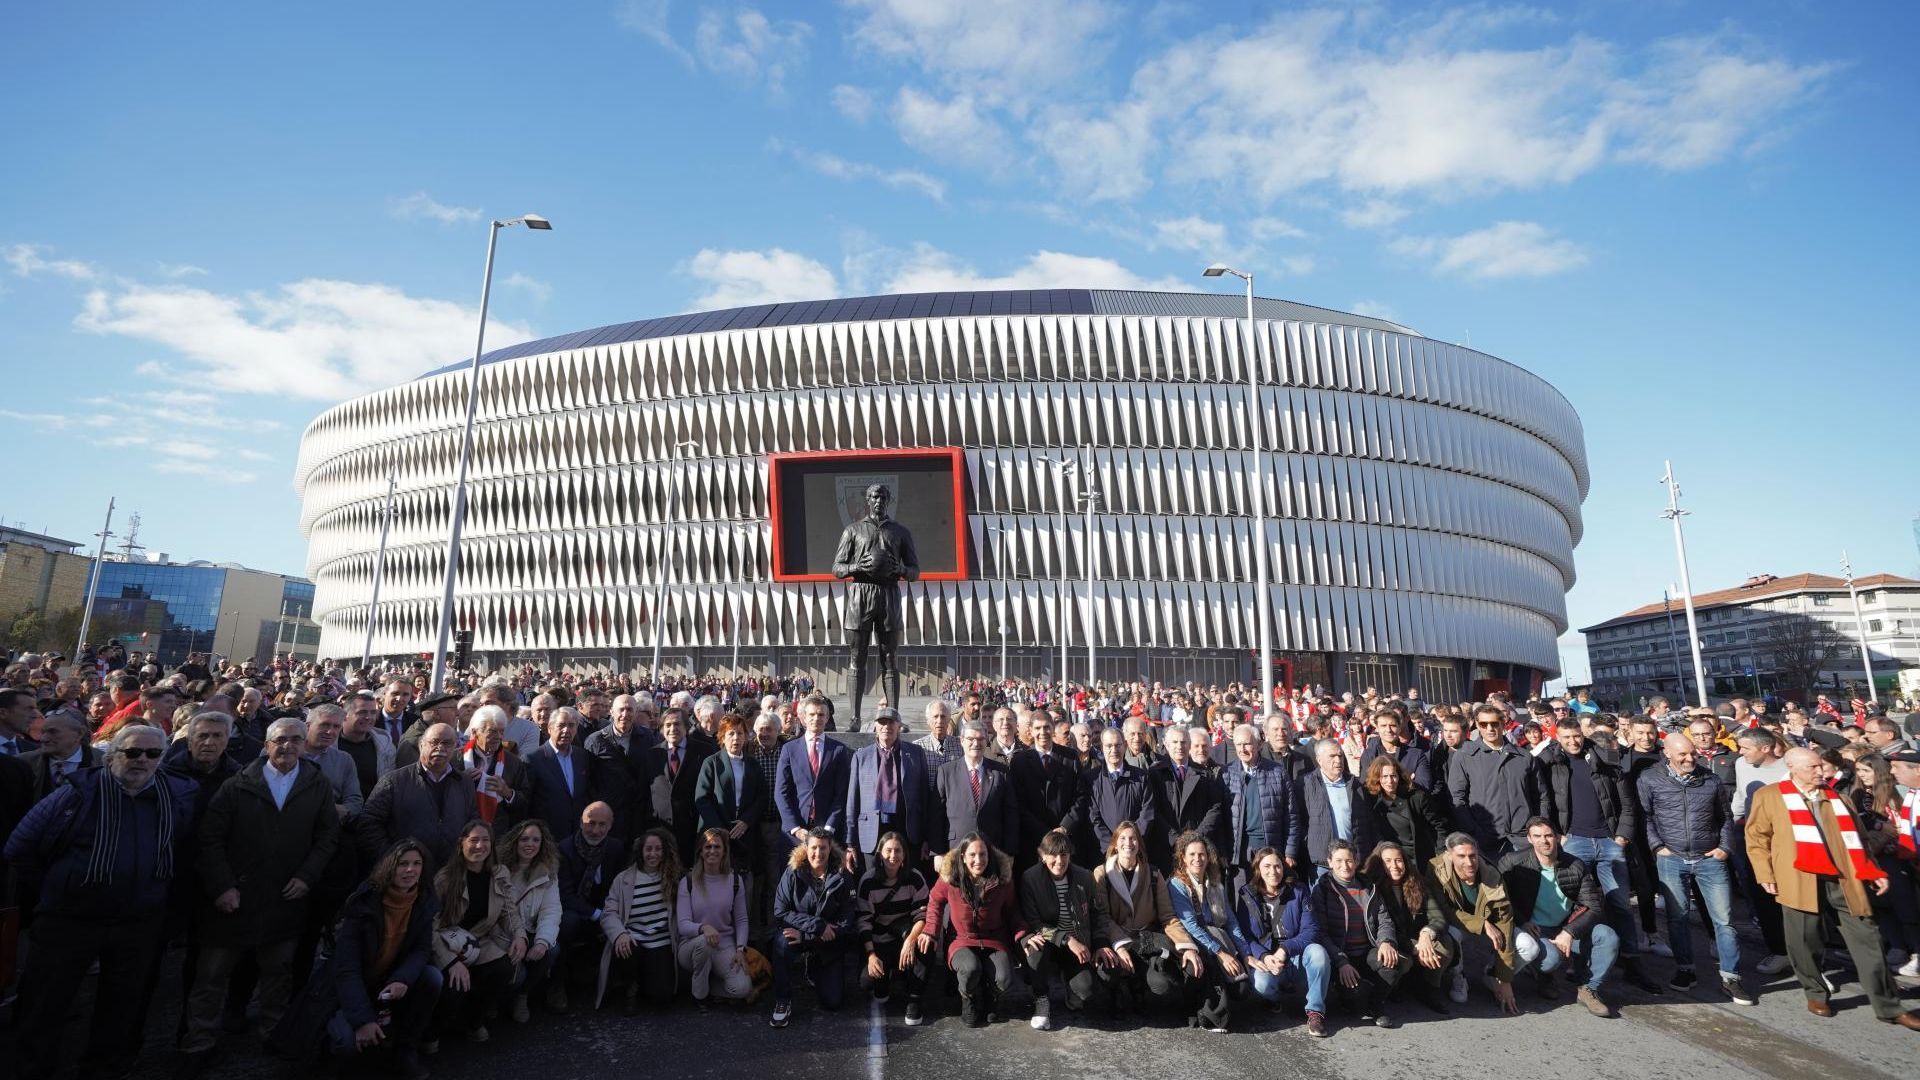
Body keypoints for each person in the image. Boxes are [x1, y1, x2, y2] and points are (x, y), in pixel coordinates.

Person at [6, 724, 197, 1080]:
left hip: (137, 920)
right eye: (133, 752)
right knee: (46, 1003)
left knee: (120, 1006)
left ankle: (102, 1069)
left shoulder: (177, 795)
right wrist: (53, 888)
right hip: (71, 918)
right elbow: (20, 845)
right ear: (111, 755)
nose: (142, 760)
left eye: (153, 754)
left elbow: (180, 847)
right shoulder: (78, 791)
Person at [178, 718, 341, 1075]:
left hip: (286, 896)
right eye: (281, 740)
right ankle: (200, 1040)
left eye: (296, 740)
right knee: (212, 975)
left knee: (278, 974)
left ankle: (273, 1032)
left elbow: (328, 836)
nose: (289, 746)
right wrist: (222, 886)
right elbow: (210, 839)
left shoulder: (317, 784)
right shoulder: (237, 785)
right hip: (234, 898)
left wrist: (307, 876)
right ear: (266, 745)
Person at [1746, 747, 1920, 1028]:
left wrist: (1873, 870)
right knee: (1805, 939)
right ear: (1792, 768)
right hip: (1798, 878)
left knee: (1868, 938)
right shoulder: (1770, 796)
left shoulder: (1836, 797)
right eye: (1812, 768)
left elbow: (1861, 839)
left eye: (1821, 766)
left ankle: (1889, 1006)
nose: (1820, 772)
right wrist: (1764, 873)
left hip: (1844, 878)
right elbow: (1756, 838)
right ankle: (1815, 992)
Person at [272, 840, 441, 1080]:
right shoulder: (364, 903)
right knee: (346, 1042)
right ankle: (326, 1058)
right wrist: (362, 1020)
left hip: (389, 979)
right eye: (403, 864)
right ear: (389, 867)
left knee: (432, 978)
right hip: (350, 986)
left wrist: (402, 979)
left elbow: (421, 950)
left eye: (416, 864)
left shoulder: (424, 900)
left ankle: (405, 1051)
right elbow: (346, 969)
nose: (410, 870)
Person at [1638, 731, 1749, 1003]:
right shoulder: (1650, 779)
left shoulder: (1710, 780)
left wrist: (1724, 847)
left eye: (1692, 753)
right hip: (1671, 857)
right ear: (1667, 753)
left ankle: (1731, 977)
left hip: (1709, 857)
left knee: (1723, 920)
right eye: (1683, 754)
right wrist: (1656, 846)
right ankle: (1685, 969)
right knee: (1678, 918)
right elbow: (1645, 815)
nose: (1690, 758)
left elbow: (1724, 817)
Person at [1498, 818, 1618, 1017]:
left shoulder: (1575, 864)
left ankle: (1589, 989)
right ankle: (1544, 976)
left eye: (1548, 835)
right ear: (1529, 838)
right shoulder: (1513, 862)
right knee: (1550, 960)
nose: (1544, 841)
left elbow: (1594, 906)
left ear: (1557, 837)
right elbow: (1500, 900)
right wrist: (1521, 921)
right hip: (1535, 928)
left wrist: (1570, 931)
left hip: (1566, 926)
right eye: (1537, 836)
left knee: (1607, 936)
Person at [1092, 819, 1198, 1017]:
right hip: (1117, 939)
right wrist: (1119, 945)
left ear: (1139, 843)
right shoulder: (1101, 873)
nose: (1128, 843)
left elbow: (1168, 917)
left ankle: (1139, 985)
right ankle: (1117, 989)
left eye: (1133, 838)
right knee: (1107, 971)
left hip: (1146, 939)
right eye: (1122, 838)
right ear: (1115, 844)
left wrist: (1187, 946)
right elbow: (1102, 917)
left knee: (1161, 984)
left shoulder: (1154, 874)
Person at [430, 819, 521, 1043]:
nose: (480, 846)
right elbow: (429, 926)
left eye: (485, 840)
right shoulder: (445, 879)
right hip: (446, 943)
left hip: (479, 940)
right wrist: (450, 961)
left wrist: (519, 935)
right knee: (455, 987)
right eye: (474, 840)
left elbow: (509, 910)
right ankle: (431, 1033)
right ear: (461, 843)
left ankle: (474, 1020)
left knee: (503, 970)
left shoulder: (499, 874)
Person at [922, 831, 1022, 1027]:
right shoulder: (950, 877)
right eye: (972, 855)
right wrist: (930, 931)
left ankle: (992, 998)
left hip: (994, 939)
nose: (978, 860)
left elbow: (1013, 911)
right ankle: (969, 999)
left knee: (1004, 978)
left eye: (983, 854)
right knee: (970, 969)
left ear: (989, 855)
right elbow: (935, 901)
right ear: (963, 857)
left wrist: (1023, 935)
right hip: (961, 939)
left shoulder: (1002, 879)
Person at [1311, 838, 1409, 1029]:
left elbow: (1384, 919)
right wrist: (1341, 962)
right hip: (1340, 955)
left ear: (1356, 861)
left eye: (1348, 860)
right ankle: (1350, 997)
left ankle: (1375, 1005)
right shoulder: (1322, 889)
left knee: (1392, 963)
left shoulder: (1369, 887)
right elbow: (1320, 932)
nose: (1344, 866)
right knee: (1355, 1001)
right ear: (1329, 862)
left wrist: (1386, 942)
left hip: (1367, 950)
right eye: (1338, 861)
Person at [1236, 845, 1333, 1036]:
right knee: (1262, 984)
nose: (1273, 871)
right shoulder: (1246, 894)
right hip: (1268, 958)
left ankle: (1315, 1011)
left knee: (1319, 953)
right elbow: (1245, 934)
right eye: (1267, 867)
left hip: (1296, 955)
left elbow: (1311, 929)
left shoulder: (1298, 890)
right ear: (1258, 869)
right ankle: (1273, 999)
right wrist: (1263, 955)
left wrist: (1285, 949)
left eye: (1277, 866)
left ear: (1284, 867)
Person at [1019, 829, 1110, 1030]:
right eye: (1053, 855)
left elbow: (1098, 913)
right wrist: (1067, 939)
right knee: (1034, 954)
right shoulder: (1030, 878)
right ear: (1042, 855)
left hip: (1078, 943)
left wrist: (1101, 943)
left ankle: (1072, 990)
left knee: (1085, 991)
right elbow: (1035, 923)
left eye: (1064, 854)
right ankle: (1041, 1000)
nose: (1059, 860)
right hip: (1051, 942)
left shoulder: (1084, 877)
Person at [769, 828, 857, 1027]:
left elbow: (846, 923)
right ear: (805, 848)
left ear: (830, 848)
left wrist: (809, 937)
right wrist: (816, 926)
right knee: (781, 944)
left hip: (829, 941)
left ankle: (816, 964)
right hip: (802, 932)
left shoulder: (843, 876)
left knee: (833, 1002)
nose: (818, 853)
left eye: (823, 848)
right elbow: (780, 910)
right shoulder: (792, 871)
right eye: (814, 848)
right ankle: (783, 1000)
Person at [360, 725, 479, 869]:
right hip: (406, 873)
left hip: (450, 872)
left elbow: (472, 822)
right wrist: (392, 858)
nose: (440, 748)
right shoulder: (394, 781)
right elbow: (369, 823)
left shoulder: (464, 782)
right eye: (434, 742)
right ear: (421, 745)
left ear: (455, 747)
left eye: (447, 743)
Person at [1427, 832, 1520, 1015]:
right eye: (1461, 856)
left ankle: (1493, 975)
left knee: (1528, 946)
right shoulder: (1436, 868)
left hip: (1492, 927)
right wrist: (1483, 924)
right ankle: (1458, 975)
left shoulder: (1491, 875)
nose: (1469, 863)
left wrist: (1505, 979)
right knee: (1450, 933)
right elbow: (1444, 911)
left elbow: (1505, 921)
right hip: (1459, 924)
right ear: (1449, 854)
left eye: (1472, 856)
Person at [1166, 830, 1250, 1032]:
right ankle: (1209, 1015)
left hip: (1217, 938)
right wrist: (1221, 954)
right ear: (1183, 859)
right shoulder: (1177, 885)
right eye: (1192, 855)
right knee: (1204, 967)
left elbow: (1231, 922)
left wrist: (1246, 954)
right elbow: (1190, 926)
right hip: (1193, 942)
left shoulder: (1215, 885)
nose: (1198, 859)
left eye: (1202, 854)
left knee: (1242, 988)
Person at [596, 827, 681, 1014]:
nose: (653, 854)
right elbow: (608, 913)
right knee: (627, 949)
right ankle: (629, 986)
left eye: (658, 849)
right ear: (641, 851)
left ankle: (645, 981)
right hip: (632, 941)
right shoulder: (623, 878)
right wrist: (619, 934)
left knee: (662, 997)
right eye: (648, 849)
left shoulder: (673, 878)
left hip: (661, 943)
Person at [1364, 841, 1456, 1013]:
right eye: (1388, 861)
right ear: (1379, 864)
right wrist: (1413, 947)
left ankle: (1429, 989)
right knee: (1400, 961)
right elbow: (1377, 927)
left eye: (1398, 860)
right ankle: (1395, 987)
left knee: (1446, 945)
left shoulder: (1417, 882)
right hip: (1389, 941)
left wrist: (1426, 934)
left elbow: (1438, 918)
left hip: (1416, 938)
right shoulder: (1371, 888)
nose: (1394, 866)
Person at [1448, 703, 1550, 856]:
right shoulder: (1464, 756)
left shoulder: (1524, 757)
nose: (1489, 728)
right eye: (1484, 724)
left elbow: (1541, 796)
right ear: (1477, 725)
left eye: (1494, 723)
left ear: (1503, 723)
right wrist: (1473, 830)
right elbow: (1457, 798)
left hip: (1522, 838)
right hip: (1486, 839)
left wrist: (1538, 828)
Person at [854, 831, 934, 1024]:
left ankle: (914, 998)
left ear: (904, 855)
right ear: (880, 853)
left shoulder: (915, 878)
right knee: (867, 982)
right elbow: (863, 922)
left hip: (905, 937)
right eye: (888, 850)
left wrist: (911, 939)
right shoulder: (868, 881)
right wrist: (871, 956)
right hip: (879, 942)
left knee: (926, 944)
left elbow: (922, 915)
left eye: (897, 851)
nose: (893, 856)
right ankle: (889, 979)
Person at [550, 801, 623, 1012]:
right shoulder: (564, 849)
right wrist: (596, 914)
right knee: (568, 923)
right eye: (590, 823)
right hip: (574, 910)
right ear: (581, 823)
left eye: (602, 824)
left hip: (603, 908)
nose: (596, 830)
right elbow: (564, 894)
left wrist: (608, 913)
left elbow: (616, 887)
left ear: (610, 825)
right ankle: (557, 984)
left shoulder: (615, 848)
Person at [843, 706, 930, 870]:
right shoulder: (861, 757)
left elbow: (924, 797)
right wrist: (850, 841)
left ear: (899, 726)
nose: (886, 727)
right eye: (882, 722)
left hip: (907, 829)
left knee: (907, 880)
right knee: (872, 882)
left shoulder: (916, 753)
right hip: (871, 831)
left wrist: (926, 837)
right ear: (875, 726)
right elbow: (852, 801)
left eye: (891, 722)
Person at [677, 826, 753, 1005]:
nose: (712, 851)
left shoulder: (735, 881)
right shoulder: (687, 882)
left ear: (724, 851)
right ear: (701, 852)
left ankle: (708, 986)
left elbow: (741, 920)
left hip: (724, 946)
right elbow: (683, 924)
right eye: (708, 847)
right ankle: (700, 996)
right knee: (704, 942)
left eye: (717, 847)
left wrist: (740, 949)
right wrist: (703, 928)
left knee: (743, 988)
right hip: (692, 947)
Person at [499, 819, 563, 1024]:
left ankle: (522, 996)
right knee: (516, 974)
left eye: (536, 840)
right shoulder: (499, 869)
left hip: (530, 929)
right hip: (502, 932)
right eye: (524, 839)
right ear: (514, 842)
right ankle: (495, 999)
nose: (530, 844)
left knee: (552, 950)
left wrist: (542, 941)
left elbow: (551, 910)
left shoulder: (548, 873)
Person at [1221, 723, 1304, 882]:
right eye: (1238, 744)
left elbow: (1291, 815)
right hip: (1239, 853)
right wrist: (1224, 852)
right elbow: (1222, 818)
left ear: (1259, 744)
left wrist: (1290, 852)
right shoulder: (1226, 773)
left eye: (1247, 744)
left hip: (1270, 848)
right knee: (1243, 901)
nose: (1242, 749)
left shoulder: (1277, 772)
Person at [695, 715, 769, 879]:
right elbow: (702, 798)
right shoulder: (712, 763)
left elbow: (762, 796)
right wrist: (720, 829)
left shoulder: (753, 764)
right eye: (731, 733)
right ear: (722, 736)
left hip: (745, 833)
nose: (736, 738)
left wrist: (746, 821)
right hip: (717, 833)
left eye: (740, 733)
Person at [775, 694, 851, 849]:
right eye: (812, 714)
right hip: (796, 831)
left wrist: (829, 827)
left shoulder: (839, 750)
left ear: (827, 718)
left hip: (828, 829)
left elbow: (842, 793)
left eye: (821, 714)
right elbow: (781, 792)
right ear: (803, 717)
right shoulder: (789, 749)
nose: (816, 718)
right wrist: (795, 829)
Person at [639, 709, 715, 864]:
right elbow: (643, 793)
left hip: (692, 828)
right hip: (659, 829)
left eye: (677, 724)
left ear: (686, 727)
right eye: (668, 725)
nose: (672, 729)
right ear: (661, 729)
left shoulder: (704, 751)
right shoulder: (651, 755)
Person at [932, 721, 1019, 855]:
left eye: (980, 739)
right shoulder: (946, 772)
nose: (976, 743)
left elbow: (1010, 815)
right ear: (961, 740)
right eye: (970, 739)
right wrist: (937, 853)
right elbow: (936, 816)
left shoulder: (1001, 772)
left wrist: (1009, 853)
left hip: (992, 850)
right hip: (956, 849)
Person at [1150, 726, 1225, 869]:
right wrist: (1174, 839)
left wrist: (1196, 838)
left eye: (1184, 742)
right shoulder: (1155, 773)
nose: (1180, 746)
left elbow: (1214, 808)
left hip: (1197, 849)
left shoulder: (1204, 774)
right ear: (1166, 744)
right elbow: (1153, 809)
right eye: (1175, 742)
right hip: (1166, 847)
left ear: (1189, 745)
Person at [1303, 738, 1379, 875]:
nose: (1338, 760)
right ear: (1319, 760)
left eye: (1340, 755)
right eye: (1332, 756)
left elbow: (1368, 821)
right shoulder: (1306, 784)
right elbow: (1300, 821)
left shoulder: (1355, 785)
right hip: (1323, 864)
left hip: (1354, 861)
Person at [526, 706, 600, 841]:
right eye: (561, 725)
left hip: (578, 834)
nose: (566, 730)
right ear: (550, 728)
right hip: (547, 836)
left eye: (571, 725)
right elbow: (527, 801)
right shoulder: (533, 759)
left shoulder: (583, 756)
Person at [1084, 727, 1157, 857]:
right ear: (1102, 748)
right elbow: (1093, 818)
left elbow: (1147, 814)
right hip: (1105, 854)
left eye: (1118, 745)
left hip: (1135, 851)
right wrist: (1112, 847)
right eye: (1109, 746)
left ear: (1125, 745)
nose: (1114, 750)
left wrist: (1131, 843)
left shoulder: (1141, 777)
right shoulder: (1092, 779)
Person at [461, 708, 529, 830]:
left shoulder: (513, 762)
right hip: (463, 830)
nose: (499, 737)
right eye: (492, 731)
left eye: (501, 732)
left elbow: (525, 801)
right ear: (475, 731)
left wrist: (507, 792)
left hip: (498, 834)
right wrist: (461, 780)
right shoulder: (457, 759)